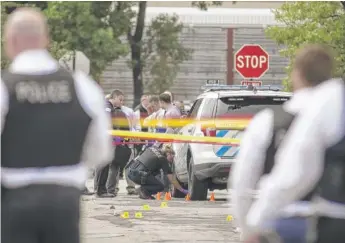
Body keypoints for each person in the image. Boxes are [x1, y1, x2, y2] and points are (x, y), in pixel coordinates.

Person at [1, 8, 113, 243]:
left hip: (14, 199)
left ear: (9, 42)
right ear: (45, 39)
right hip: (65, 200)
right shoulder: (81, 86)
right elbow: (101, 149)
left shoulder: (4, 87)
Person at [230, 44, 336, 242]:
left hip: (285, 220)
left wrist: (248, 228)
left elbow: (243, 180)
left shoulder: (269, 121)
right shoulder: (337, 118)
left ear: (296, 74)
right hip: (333, 219)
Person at [108, 89, 138, 195]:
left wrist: (131, 138)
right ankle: (113, 187)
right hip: (115, 143)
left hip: (126, 143)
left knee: (129, 165)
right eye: (120, 100)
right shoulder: (109, 111)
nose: (122, 102)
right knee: (114, 165)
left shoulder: (128, 111)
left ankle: (131, 187)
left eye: (123, 100)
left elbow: (133, 127)